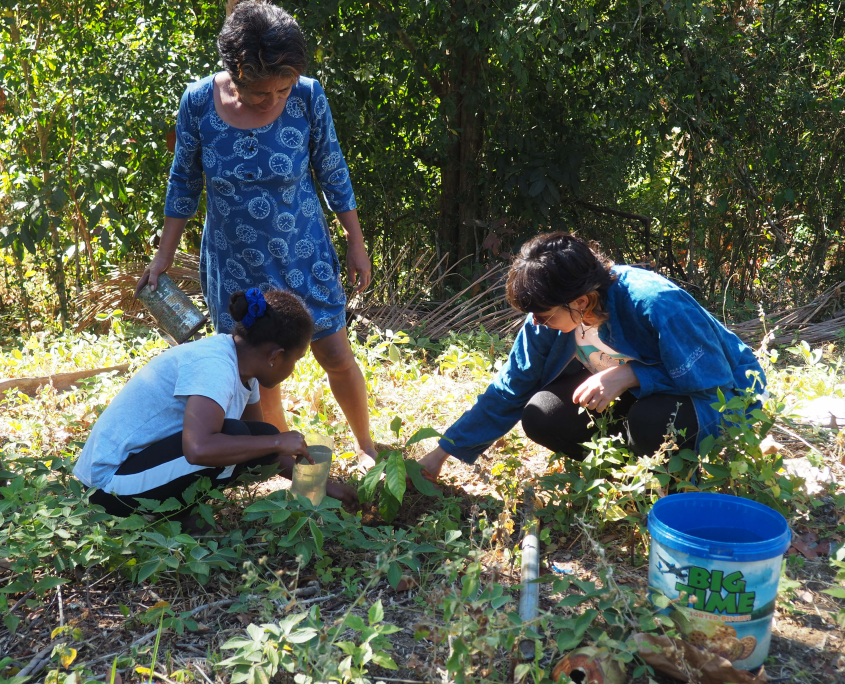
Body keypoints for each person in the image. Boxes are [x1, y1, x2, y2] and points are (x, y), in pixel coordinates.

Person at [135, 0, 378, 468]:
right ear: (237, 72)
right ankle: (283, 456)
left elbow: (332, 169)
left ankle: (366, 445)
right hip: (235, 262)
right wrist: (163, 255)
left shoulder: (308, 96)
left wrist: (355, 240)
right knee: (258, 372)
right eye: (262, 92)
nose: (274, 100)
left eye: (282, 90)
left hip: (302, 254)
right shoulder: (199, 102)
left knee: (335, 352)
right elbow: (183, 182)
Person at [417, 232, 766, 479]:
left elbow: (712, 379)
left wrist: (632, 374)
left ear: (581, 301)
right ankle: (629, 477)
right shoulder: (551, 312)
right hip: (645, 397)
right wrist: (442, 453)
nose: (536, 323)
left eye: (543, 316)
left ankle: (671, 483)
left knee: (651, 420)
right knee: (542, 413)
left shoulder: (655, 302)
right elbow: (511, 387)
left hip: (722, 397)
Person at [73, 289, 356, 517]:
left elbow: (261, 447)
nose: (292, 370)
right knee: (238, 435)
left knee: (260, 434)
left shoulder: (244, 369)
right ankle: (176, 517)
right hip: (107, 488)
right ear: (276, 356)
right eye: (296, 360)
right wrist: (277, 442)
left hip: (136, 472)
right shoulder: (215, 367)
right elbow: (198, 449)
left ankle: (179, 513)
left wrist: (322, 485)